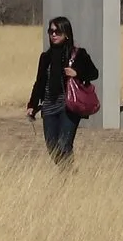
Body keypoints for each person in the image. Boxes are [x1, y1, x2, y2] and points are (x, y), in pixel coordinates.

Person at [26, 16, 98, 164]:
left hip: (68, 106)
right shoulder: (46, 57)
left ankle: (68, 179)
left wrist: (77, 73)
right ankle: (68, 174)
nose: (53, 34)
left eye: (57, 31)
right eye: (50, 31)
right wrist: (32, 105)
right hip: (48, 107)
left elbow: (94, 73)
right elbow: (39, 82)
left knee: (64, 144)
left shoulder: (78, 54)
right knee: (52, 147)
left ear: (66, 34)